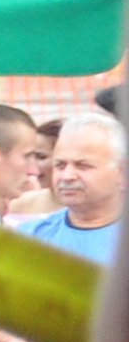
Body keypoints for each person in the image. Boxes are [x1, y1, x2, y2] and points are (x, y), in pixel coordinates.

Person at [22, 107, 124, 262]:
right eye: (60, 165)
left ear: (122, 173)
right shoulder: (30, 237)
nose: (67, 176)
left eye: (83, 166)